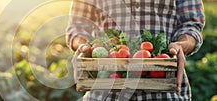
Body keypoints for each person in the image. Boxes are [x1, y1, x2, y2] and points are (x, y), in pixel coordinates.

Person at [66, 0, 205, 100]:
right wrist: (82, 45)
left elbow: (190, 25)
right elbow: (78, 27)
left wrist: (181, 44)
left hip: (166, 93)